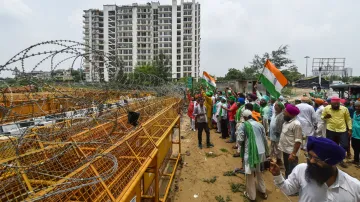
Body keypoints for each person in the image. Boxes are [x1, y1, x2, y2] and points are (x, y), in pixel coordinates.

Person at [270, 136, 360, 202]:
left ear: (332, 163)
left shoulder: (354, 188)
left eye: (317, 159)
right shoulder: (302, 170)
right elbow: (288, 189)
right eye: (310, 156)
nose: (312, 161)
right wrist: (278, 175)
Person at [238, 110, 269, 201]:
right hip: (261, 152)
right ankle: (262, 191)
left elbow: (240, 140)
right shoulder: (259, 124)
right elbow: (264, 139)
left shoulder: (243, 126)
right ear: (251, 116)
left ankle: (251, 196)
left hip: (250, 153)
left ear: (244, 117)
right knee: (259, 172)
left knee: (250, 175)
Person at [322, 96, 352, 168]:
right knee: (330, 145)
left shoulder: (344, 109)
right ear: (331, 103)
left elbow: (348, 119)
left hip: (342, 129)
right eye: (334, 104)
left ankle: (341, 159)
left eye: (337, 104)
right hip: (331, 129)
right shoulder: (326, 108)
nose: (336, 105)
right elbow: (322, 117)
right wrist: (326, 117)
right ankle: (331, 159)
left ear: (339, 103)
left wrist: (350, 129)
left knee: (344, 145)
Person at [278, 104, 302, 179]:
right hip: (285, 150)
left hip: (291, 153)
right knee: (287, 169)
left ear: (291, 114)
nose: (283, 113)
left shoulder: (296, 124)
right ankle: (287, 183)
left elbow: (298, 141)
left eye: (285, 111)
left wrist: (293, 153)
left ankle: (293, 188)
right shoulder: (286, 122)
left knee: (292, 171)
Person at [269, 101, 285, 165]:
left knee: (278, 148)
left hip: (278, 134)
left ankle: (279, 160)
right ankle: (271, 158)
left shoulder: (282, 115)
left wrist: (278, 133)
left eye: (277, 106)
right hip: (272, 134)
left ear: (281, 108)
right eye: (275, 105)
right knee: (272, 147)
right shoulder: (274, 114)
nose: (275, 107)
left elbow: (281, 126)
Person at [352, 101, 360, 166]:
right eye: (356, 106)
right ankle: (356, 160)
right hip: (354, 134)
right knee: (354, 147)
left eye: (358, 106)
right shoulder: (354, 113)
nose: (357, 107)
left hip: (359, 135)